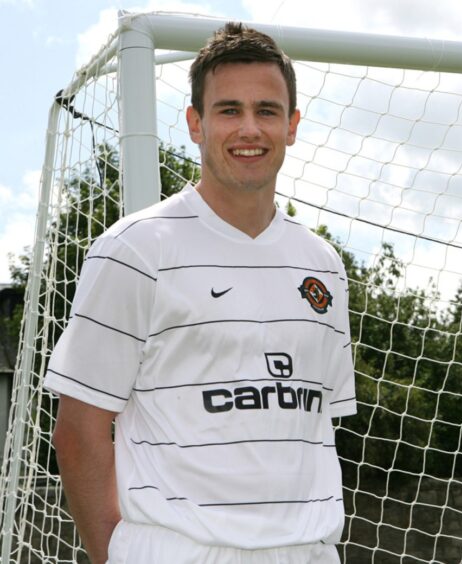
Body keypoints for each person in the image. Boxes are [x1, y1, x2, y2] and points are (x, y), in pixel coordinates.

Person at [45, 22, 355, 564]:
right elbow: (78, 431)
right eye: (229, 110)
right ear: (195, 123)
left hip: (307, 551)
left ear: (292, 125)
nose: (249, 129)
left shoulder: (322, 266)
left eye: (267, 110)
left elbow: (314, 422)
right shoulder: (136, 249)